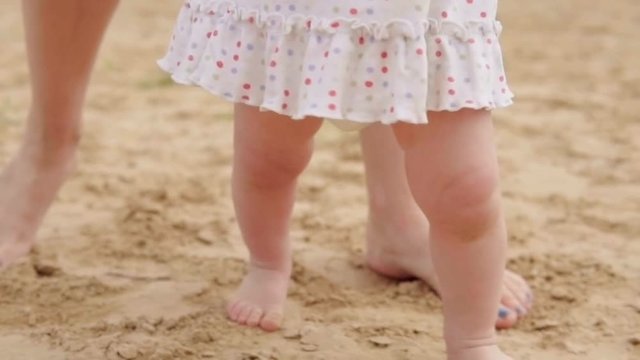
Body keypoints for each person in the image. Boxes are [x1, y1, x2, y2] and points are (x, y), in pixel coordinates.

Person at [159, 0, 528, 358]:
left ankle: (473, 341)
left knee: (466, 191)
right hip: (296, 15)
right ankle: (267, 264)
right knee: (268, 161)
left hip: (433, 18)